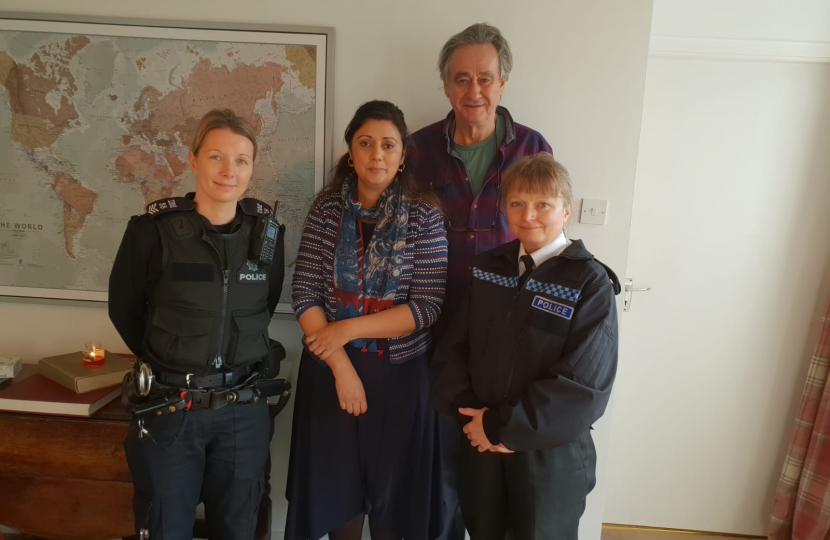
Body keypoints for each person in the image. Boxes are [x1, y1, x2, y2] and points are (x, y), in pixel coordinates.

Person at [108, 108, 285, 539]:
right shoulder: (152, 231)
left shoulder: (267, 236)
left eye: (241, 160)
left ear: (252, 168)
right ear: (192, 160)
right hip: (172, 410)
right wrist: (174, 358)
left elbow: (266, 302)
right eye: (216, 157)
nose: (229, 171)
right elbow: (125, 308)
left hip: (243, 412)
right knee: (165, 527)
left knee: (240, 528)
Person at [408, 22, 553, 540]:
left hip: (507, 332)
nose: (474, 91)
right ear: (446, 86)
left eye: (485, 78)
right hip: (431, 326)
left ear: (502, 83)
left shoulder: (532, 148)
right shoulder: (417, 150)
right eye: (462, 79)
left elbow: (544, 234)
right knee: (439, 462)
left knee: (495, 459)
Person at [430, 153, 620, 539]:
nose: (528, 214)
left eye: (543, 204)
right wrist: (473, 418)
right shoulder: (488, 269)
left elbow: (584, 385)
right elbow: (453, 348)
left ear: (566, 210)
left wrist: (504, 428)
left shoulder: (590, 282)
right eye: (517, 203)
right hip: (480, 441)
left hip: (548, 456)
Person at [285, 100, 448, 540]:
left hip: (401, 377)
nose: (377, 154)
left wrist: (348, 328)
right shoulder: (326, 210)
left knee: (398, 509)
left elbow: (426, 307)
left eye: (388, 145)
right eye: (366, 143)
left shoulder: (425, 214)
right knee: (337, 504)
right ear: (351, 151)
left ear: (402, 156)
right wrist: (341, 366)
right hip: (331, 375)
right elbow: (304, 292)